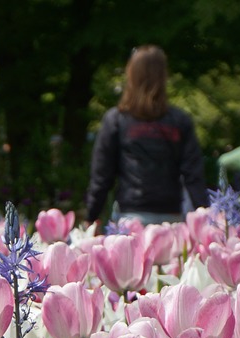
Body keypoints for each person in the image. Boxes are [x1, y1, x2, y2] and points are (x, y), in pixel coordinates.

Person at [85, 46, 205, 227]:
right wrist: (204, 216)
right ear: (163, 76)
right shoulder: (180, 121)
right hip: (171, 217)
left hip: (132, 216)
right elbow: (193, 175)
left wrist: (91, 216)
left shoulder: (116, 120)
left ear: (131, 75)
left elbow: (102, 176)